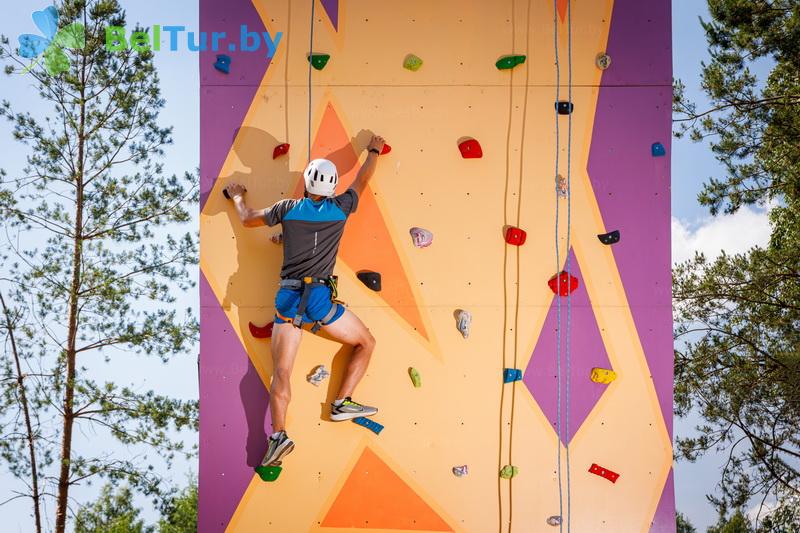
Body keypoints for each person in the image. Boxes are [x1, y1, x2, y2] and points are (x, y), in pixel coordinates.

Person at [225, 134, 386, 467]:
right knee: (366, 342)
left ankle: (278, 435)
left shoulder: (288, 209)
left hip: (287, 298)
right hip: (318, 300)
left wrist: (239, 197)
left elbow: (247, 217)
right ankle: (342, 402)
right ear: (329, 188)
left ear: (307, 184)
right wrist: (372, 151)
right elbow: (363, 178)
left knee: (281, 372)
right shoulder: (341, 208)